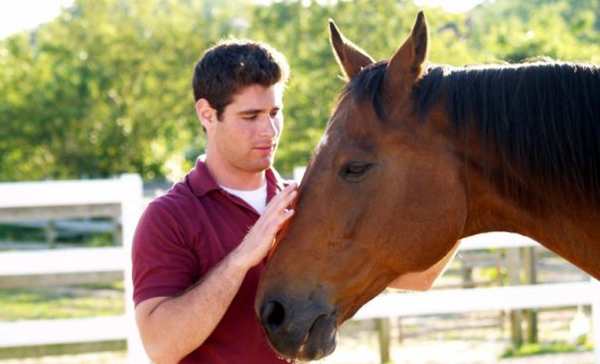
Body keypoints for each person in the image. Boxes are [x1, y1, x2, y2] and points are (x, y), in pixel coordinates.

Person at [132, 39, 297, 364]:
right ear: (207, 114)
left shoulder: (301, 201)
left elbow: (415, 279)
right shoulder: (168, 217)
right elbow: (161, 348)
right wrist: (242, 258)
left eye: (275, 113)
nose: (269, 131)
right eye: (250, 117)